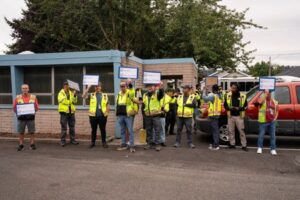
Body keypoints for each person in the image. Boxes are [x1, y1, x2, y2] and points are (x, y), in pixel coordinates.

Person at [82, 82, 110, 148]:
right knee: (93, 130)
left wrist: (107, 113)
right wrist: (88, 88)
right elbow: (83, 96)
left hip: (102, 116)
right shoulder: (91, 95)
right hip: (93, 116)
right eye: (96, 86)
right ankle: (93, 142)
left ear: (101, 87)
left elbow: (107, 105)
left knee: (103, 130)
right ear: (94, 88)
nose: (97, 87)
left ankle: (104, 142)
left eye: (99, 86)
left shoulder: (105, 95)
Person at [13, 84, 39, 151]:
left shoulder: (33, 97)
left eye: (26, 88)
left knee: (32, 131)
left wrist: (33, 112)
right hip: (21, 117)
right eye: (23, 88)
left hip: (30, 117)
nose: (25, 90)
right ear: (21, 89)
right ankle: (21, 145)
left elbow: (37, 107)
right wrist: (18, 113)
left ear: (28, 89)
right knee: (21, 132)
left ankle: (32, 144)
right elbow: (14, 107)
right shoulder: (17, 97)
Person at [224, 83, 248, 151]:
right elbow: (225, 105)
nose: (233, 89)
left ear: (237, 88)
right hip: (230, 116)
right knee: (231, 131)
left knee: (241, 131)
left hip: (239, 116)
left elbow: (246, 106)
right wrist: (229, 108)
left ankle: (244, 145)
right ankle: (232, 144)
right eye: (232, 87)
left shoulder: (243, 96)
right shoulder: (227, 95)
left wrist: (239, 108)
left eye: (234, 88)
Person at [116, 82, 137, 153]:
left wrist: (130, 86)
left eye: (124, 86)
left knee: (130, 130)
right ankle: (123, 144)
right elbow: (117, 104)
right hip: (120, 115)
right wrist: (117, 115)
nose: (122, 87)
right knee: (122, 130)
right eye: (121, 86)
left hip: (128, 115)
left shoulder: (129, 93)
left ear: (126, 86)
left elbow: (132, 94)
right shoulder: (118, 94)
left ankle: (131, 146)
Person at [256, 90, 278, 155]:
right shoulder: (262, 100)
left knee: (272, 136)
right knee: (261, 135)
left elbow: (277, 111)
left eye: (269, 94)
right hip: (263, 121)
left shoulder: (275, 102)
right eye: (266, 94)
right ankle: (260, 147)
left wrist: (275, 119)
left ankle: (273, 149)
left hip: (271, 121)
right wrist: (265, 94)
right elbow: (259, 102)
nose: (268, 95)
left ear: (271, 94)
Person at [174, 84, 197, 149]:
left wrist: (186, 105)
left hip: (188, 117)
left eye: (185, 89)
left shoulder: (192, 97)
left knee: (189, 130)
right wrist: (176, 114)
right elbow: (176, 106)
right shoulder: (179, 97)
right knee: (178, 130)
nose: (184, 90)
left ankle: (190, 143)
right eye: (183, 89)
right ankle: (177, 142)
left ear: (189, 90)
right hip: (179, 116)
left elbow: (194, 105)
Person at [143, 84, 164, 151]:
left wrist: (160, 88)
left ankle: (157, 144)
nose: (150, 87)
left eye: (151, 86)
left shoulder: (157, 94)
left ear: (154, 88)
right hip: (147, 116)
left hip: (155, 116)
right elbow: (144, 105)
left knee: (157, 130)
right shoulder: (145, 95)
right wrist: (144, 114)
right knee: (148, 130)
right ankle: (149, 143)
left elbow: (161, 94)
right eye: (148, 86)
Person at [57, 82, 79, 147]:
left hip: (71, 112)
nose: (67, 87)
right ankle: (62, 141)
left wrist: (74, 95)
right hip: (64, 113)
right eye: (66, 85)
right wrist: (70, 100)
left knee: (72, 127)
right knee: (64, 128)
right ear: (64, 86)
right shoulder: (61, 93)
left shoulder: (71, 93)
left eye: (68, 86)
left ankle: (72, 140)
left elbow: (75, 101)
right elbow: (63, 101)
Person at [202, 84, 222, 150]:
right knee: (215, 130)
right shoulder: (219, 95)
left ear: (213, 89)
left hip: (213, 115)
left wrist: (204, 91)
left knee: (215, 130)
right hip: (217, 114)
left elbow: (205, 99)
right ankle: (215, 143)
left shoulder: (212, 95)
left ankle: (216, 145)